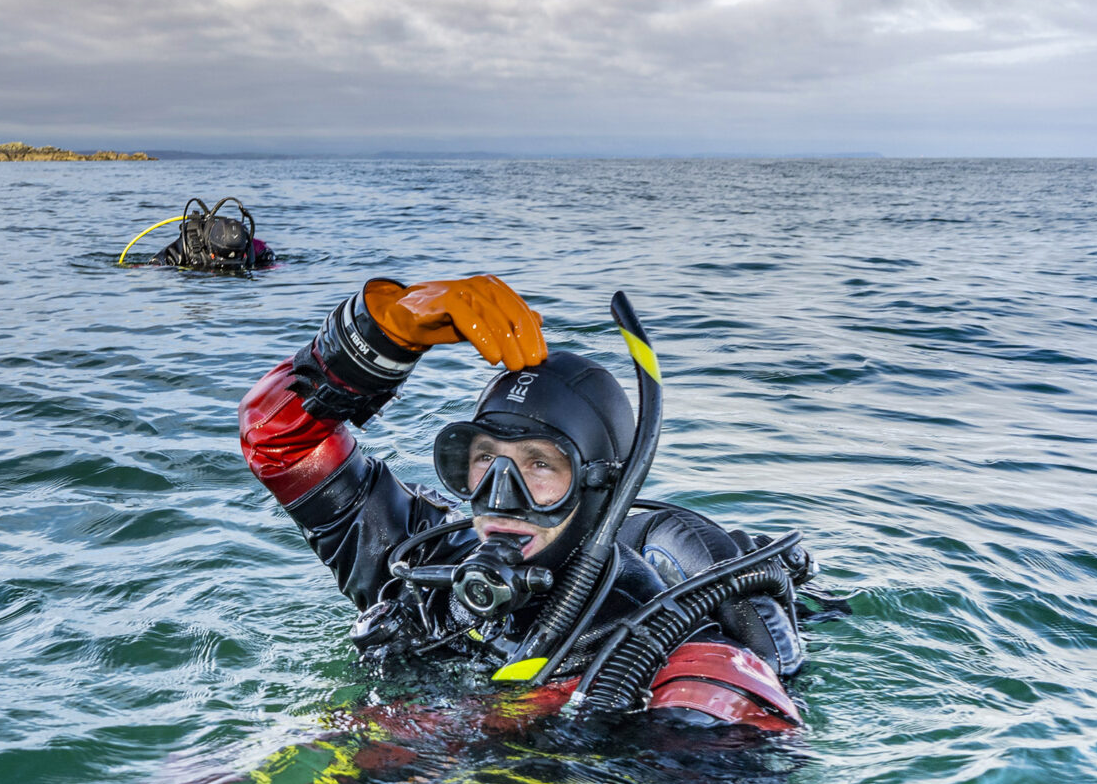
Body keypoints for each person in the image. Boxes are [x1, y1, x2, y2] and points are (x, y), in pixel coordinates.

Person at [239, 274, 819, 727]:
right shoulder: (422, 568)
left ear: (602, 486)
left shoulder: (660, 638)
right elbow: (279, 441)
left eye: (541, 464)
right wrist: (382, 332)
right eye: (486, 459)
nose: (500, 496)